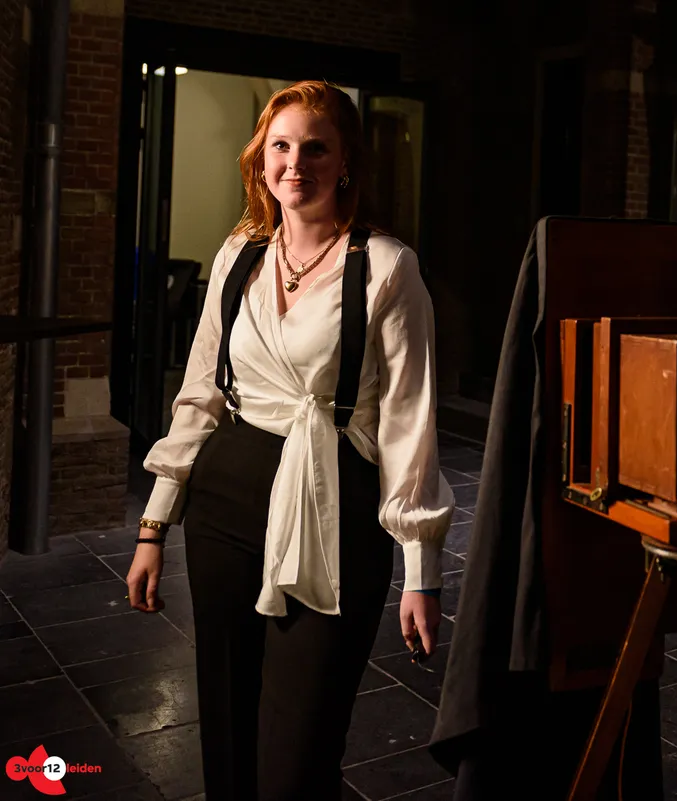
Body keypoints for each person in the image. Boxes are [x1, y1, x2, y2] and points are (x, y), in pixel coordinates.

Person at [124, 80, 455, 800]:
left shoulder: (386, 266)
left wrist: (421, 569)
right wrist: (154, 524)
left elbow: (410, 423)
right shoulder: (240, 253)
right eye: (281, 146)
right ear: (261, 158)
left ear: (346, 161)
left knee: (299, 754)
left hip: (334, 504)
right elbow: (200, 392)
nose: (295, 164)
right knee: (227, 725)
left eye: (315, 148)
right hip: (225, 496)